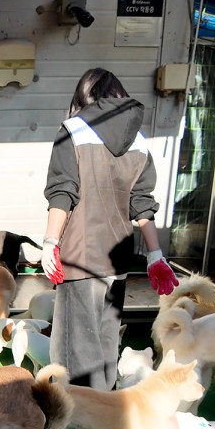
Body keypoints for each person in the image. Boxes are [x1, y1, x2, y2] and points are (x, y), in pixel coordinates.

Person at [41, 68, 179, 393]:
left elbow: (63, 191)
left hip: (80, 257)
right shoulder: (140, 142)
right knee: (105, 343)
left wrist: (49, 241)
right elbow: (142, 203)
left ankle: (83, 425)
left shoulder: (72, 131)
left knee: (74, 349)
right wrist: (155, 255)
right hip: (117, 260)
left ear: (83, 97)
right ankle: (106, 414)